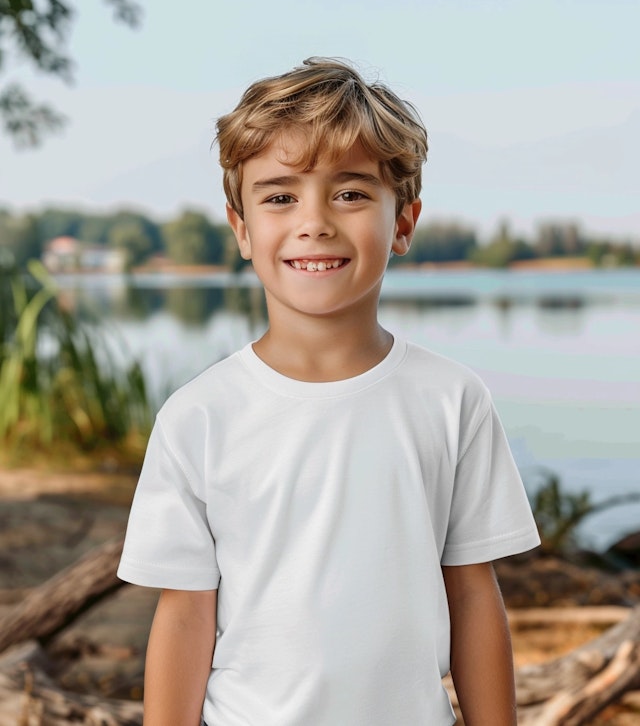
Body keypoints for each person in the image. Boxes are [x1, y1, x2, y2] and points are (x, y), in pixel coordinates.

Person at [117, 57, 540, 726]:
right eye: (280, 196)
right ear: (242, 229)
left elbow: (473, 597)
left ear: (403, 223)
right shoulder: (198, 415)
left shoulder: (452, 399)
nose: (314, 222)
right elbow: (185, 615)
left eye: (350, 193)